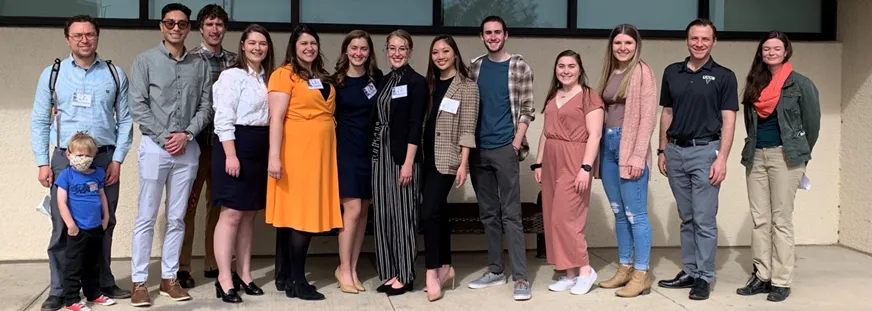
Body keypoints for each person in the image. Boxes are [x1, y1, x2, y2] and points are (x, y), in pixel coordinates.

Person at [29, 14, 133, 311]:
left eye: (89, 34)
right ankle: (60, 289)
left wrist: (118, 159)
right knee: (63, 225)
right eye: (78, 35)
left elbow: (125, 120)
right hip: (64, 159)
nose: (84, 40)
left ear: (97, 37)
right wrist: (42, 162)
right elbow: (38, 119)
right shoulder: (53, 73)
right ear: (67, 39)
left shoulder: (114, 74)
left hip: (104, 159)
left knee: (103, 222)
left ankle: (101, 282)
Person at [128, 3, 213, 307]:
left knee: (177, 217)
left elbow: (206, 107)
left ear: (188, 28)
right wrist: (166, 137)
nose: (176, 28)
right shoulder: (145, 61)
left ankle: (169, 278)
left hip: (187, 149)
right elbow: (137, 105)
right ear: (161, 27)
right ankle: (139, 282)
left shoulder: (200, 65)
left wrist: (187, 134)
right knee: (146, 216)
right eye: (170, 23)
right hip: (155, 147)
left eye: (182, 24)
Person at [656, 18, 738, 301]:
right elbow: (667, 113)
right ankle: (690, 271)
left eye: (705, 39)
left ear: (713, 42)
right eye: (694, 38)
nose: (699, 44)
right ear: (687, 40)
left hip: (706, 152)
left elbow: (729, 120)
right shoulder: (672, 72)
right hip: (675, 152)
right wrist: (662, 149)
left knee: (704, 219)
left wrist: (722, 158)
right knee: (687, 218)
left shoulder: (724, 76)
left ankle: (704, 276)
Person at [735, 31, 820, 303]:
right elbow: (751, 124)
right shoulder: (755, 83)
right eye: (766, 49)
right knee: (761, 220)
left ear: (786, 51)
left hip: (786, 157)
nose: (771, 52)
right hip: (756, 156)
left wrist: (799, 154)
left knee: (781, 221)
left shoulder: (801, 84)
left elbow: (812, 125)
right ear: (761, 53)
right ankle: (762, 275)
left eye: (776, 48)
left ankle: (782, 281)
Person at [266, 24, 342, 301]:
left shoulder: (320, 76)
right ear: (293, 47)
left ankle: (286, 275)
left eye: (313, 43)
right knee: (301, 216)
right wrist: (274, 157)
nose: (309, 48)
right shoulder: (284, 75)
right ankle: (298, 280)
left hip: (320, 156)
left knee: (299, 216)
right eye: (303, 44)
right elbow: (276, 118)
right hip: (297, 154)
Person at [467, 15, 534, 301]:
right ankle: (496, 270)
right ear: (482, 37)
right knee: (488, 214)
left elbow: (527, 109)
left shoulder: (519, 66)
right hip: (478, 151)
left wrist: (515, 142)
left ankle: (520, 277)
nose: (493, 36)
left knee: (511, 214)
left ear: (505, 34)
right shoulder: (475, 68)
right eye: (487, 33)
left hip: (504, 149)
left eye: (497, 32)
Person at [211, 24, 275, 304]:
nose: (257, 48)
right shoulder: (232, 76)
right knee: (231, 214)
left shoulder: (268, 78)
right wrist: (231, 154)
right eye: (252, 43)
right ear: (243, 46)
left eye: (262, 43)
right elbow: (223, 117)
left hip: (260, 146)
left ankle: (245, 273)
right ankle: (224, 277)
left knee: (249, 214)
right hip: (235, 144)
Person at [594, 24, 658, 298]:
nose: (622, 48)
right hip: (607, 146)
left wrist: (636, 155)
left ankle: (641, 273)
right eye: (618, 43)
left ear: (636, 45)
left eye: (628, 43)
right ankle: (625, 267)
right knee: (619, 212)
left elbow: (647, 119)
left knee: (636, 214)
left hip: (628, 145)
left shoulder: (642, 72)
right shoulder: (611, 72)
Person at [533, 50, 603, 296]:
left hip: (574, 159)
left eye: (571, 66)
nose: (565, 70)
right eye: (561, 66)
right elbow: (545, 131)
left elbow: (595, 135)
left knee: (568, 218)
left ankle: (585, 270)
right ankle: (569, 273)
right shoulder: (554, 95)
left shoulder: (588, 96)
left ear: (580, 69)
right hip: (551, 160)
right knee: (553, 217)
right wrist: (539, 163)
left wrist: (586, 167)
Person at [179, 4, 237, 289]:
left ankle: (215, 261)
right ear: (200, 28)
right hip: (194, 144)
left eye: (219, 25)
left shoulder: (235, 61)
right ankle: (182, 266)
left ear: (225, 29)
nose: (215, 30)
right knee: (186, 206)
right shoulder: (187, 60)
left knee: (219, 204)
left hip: (225, 146)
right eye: (209, 24)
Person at [421, 34, 479, 302]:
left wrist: (464, 163)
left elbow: (468, 128)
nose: (440, 56)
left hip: (447, 159)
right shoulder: (429, 84)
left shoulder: (467, 87)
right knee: (439, 212)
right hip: (424, 157)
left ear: (455, 53)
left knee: (429, 211)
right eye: (435, 52)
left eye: (445, 51)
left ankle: (431, 272)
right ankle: (445, 266)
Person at [371, 29, 426, 297]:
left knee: (404, 217)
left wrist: (408, 162)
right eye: (392, 48)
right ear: (386, 51)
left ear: (410, 51)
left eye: (402, 48)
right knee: (383, 216)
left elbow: (416, 124)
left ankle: (405, 275)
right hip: (379, 155)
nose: (396, 53)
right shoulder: (382, 80)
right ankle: (389, 272)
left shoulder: (416, 82)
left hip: (403, 156)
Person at [331, 29, 383, 294]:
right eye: (354, 48)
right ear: (346, 50)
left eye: (363, 49)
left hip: (370, 152)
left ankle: (352, 267)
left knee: (363, 212)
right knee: (350, 211)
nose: (358, 53)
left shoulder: (377, 79)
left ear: (369, 52)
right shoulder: (335, 81)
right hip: (346, 152)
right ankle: (343, 268)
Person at [54, 133, 117, 311]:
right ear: (69, 154)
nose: (83, 159)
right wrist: (71, 225)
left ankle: (94, 293)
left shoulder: (98, 173)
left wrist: (105, 218)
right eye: (79, 155)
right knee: (73, 265)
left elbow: (102, 196)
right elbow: (61, 202)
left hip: (96, 227)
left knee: (93, 263)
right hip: (77, 229)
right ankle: (72, 299)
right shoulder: (66, 175)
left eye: (87, 155)